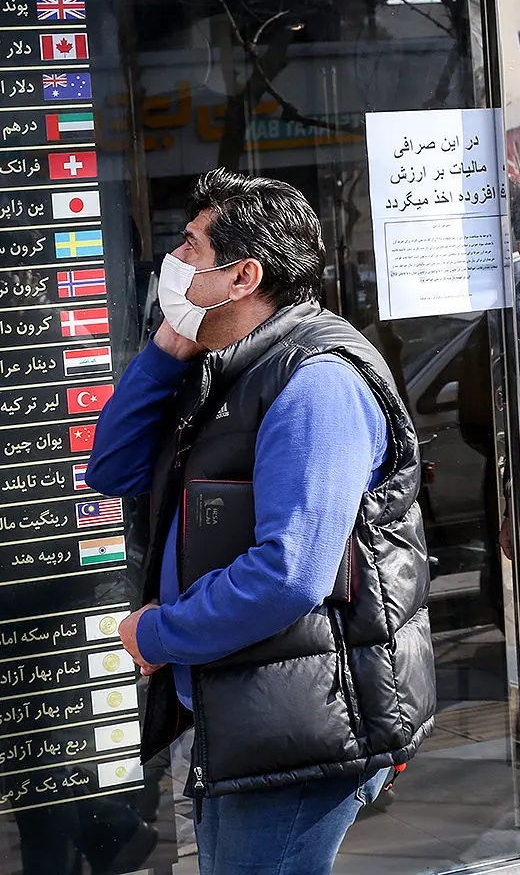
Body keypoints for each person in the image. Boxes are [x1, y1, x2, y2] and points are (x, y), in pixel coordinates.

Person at [85, 168, 435, 875]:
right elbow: (114, 469)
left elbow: (289, 574)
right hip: (244, 708)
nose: (172, 262)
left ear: (243, 276)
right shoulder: (226, 363)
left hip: (304, 723)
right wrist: (165, 351)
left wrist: (159, 632)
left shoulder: (317, 382)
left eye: (190, 247)